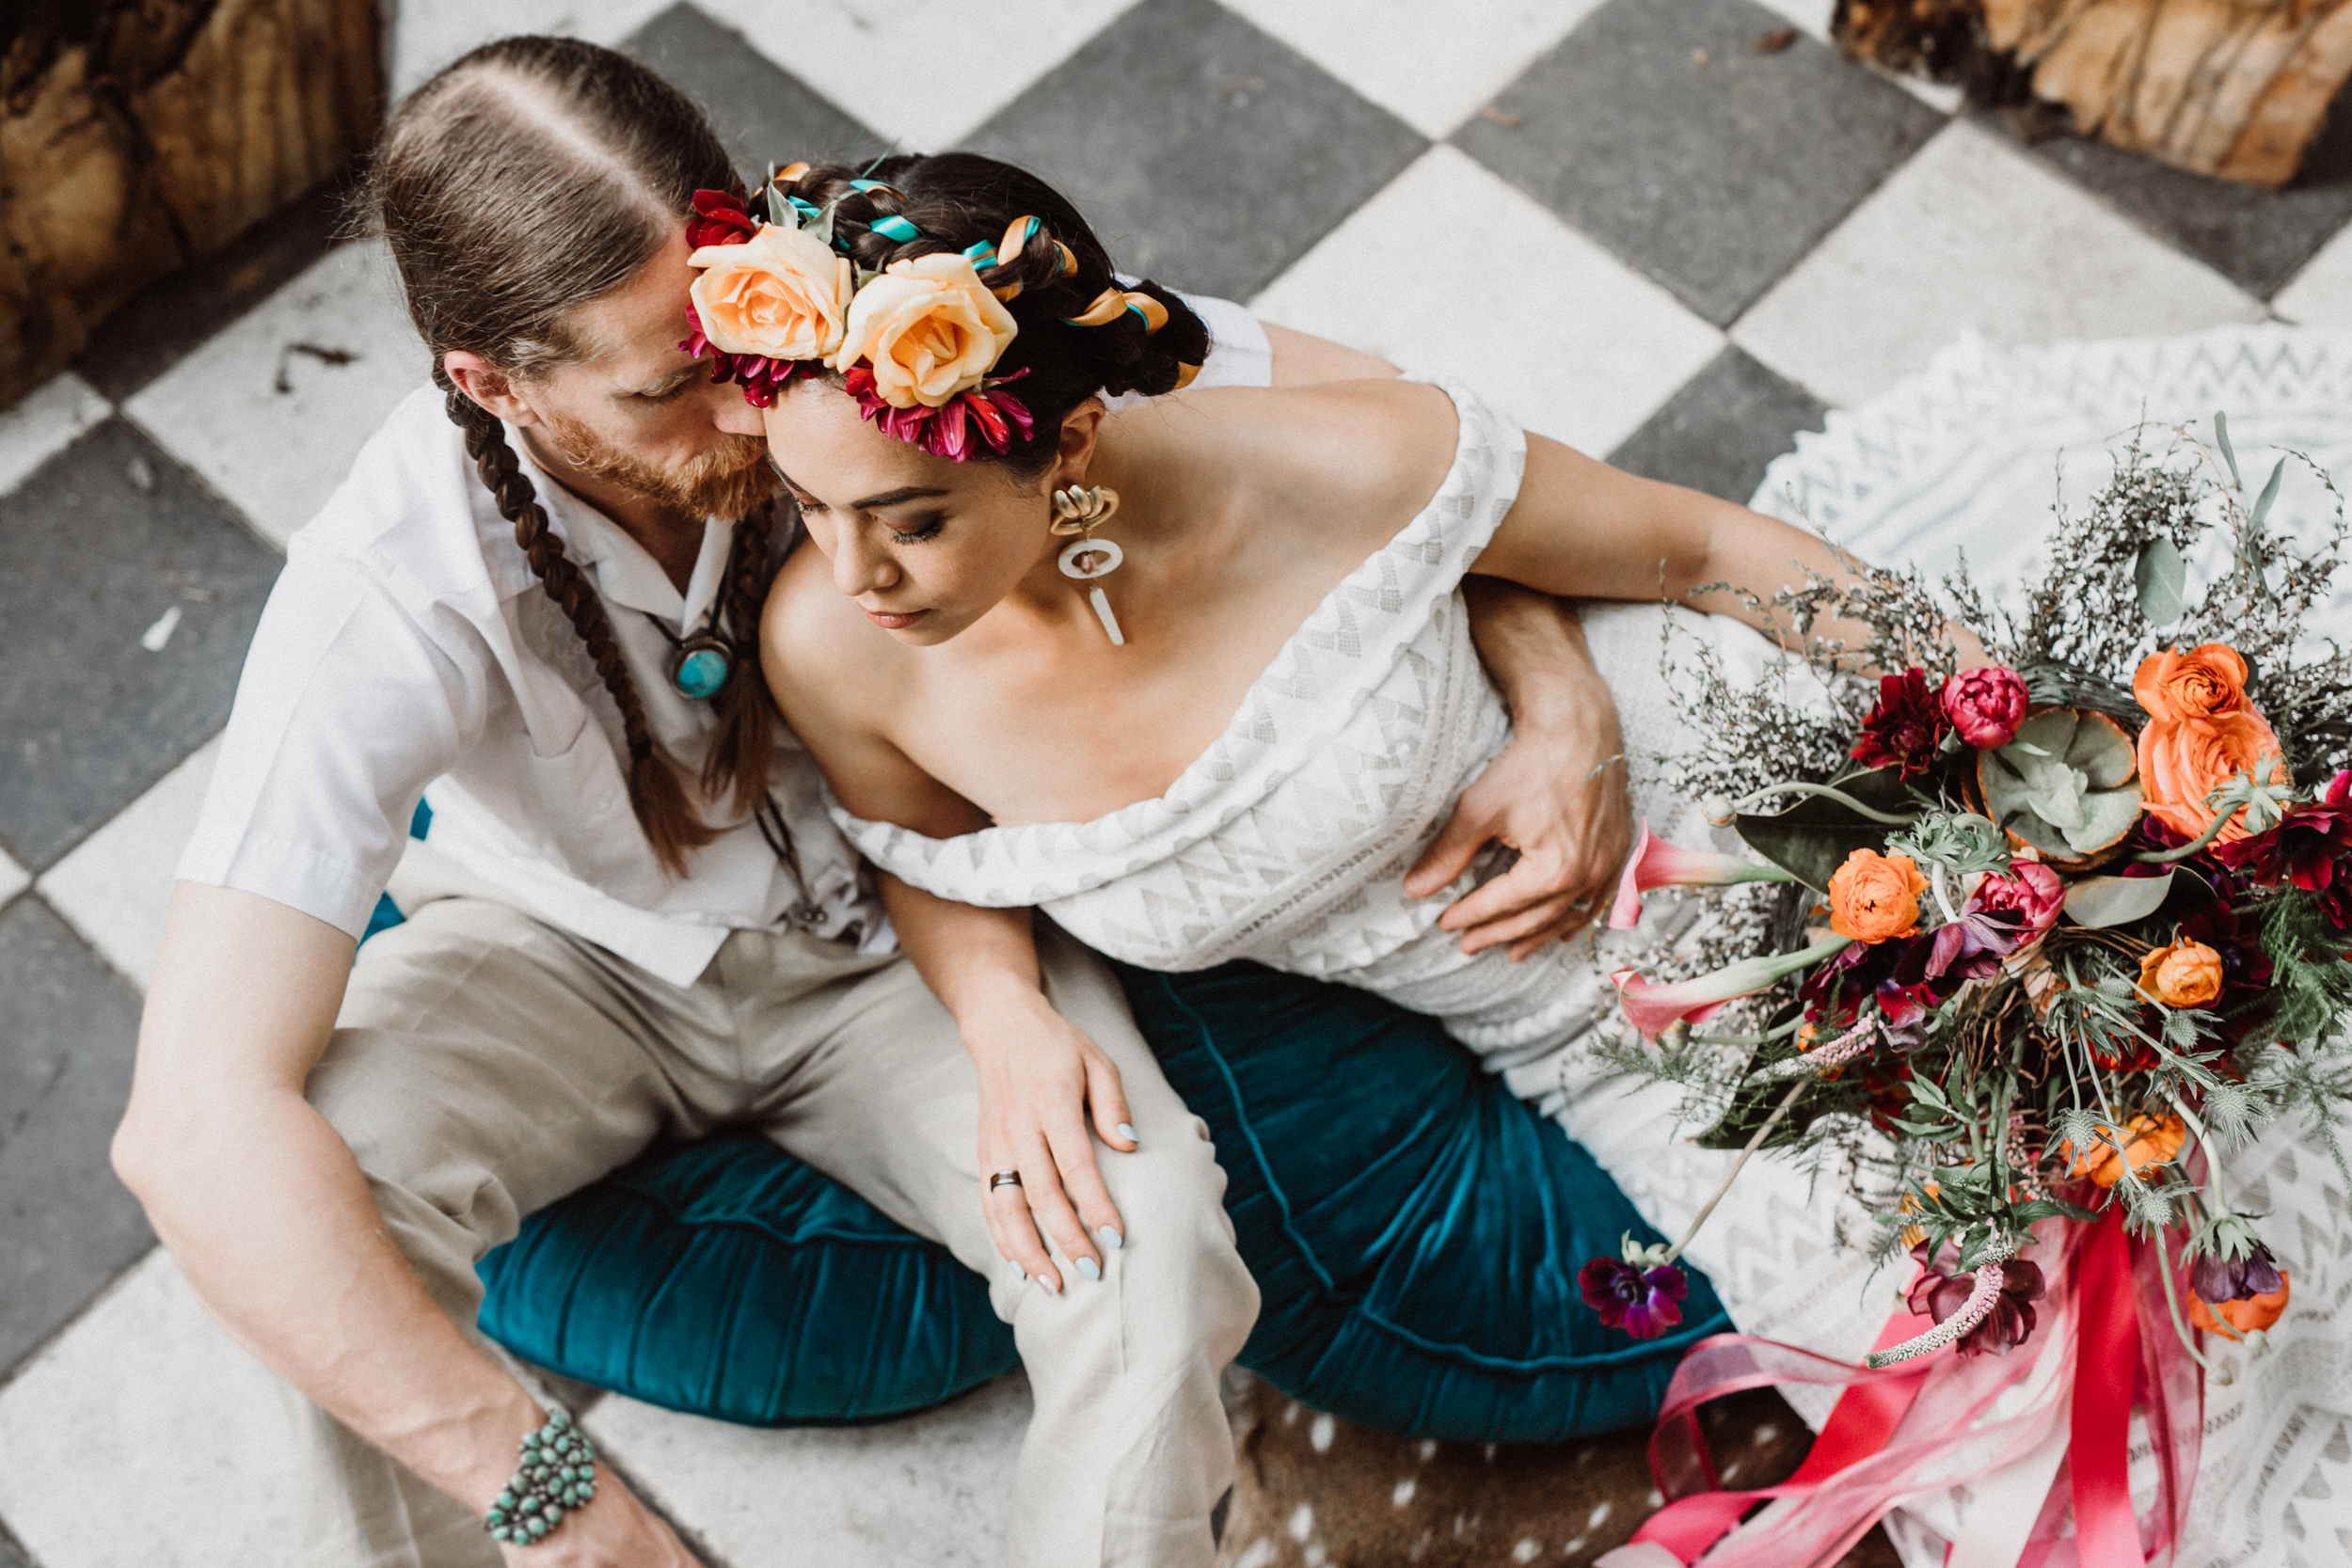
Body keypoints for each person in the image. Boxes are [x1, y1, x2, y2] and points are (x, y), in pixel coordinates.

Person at [109, 37, 1645, 1568]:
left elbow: (1382, 422)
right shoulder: (384, 583)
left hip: (910, 931)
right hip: (564, 956)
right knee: (311, 1217)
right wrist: (565, 1505)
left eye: (732, 341)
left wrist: (1547, 675)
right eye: (664, 391)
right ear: (492, 384)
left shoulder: (885, 300)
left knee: (1152, 1250)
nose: (743, 413)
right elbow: (189, 1127)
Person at [750, 153, 1935, 1200]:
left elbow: (1716, 551)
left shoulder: (1320, 456)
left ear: (1066, 446)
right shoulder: (828, 652)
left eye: (909, 522)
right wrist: (1005, 1022)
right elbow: (933, 859)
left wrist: (2000, 727)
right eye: (808, 504)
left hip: (1772, 798)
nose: (856, 572)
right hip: (1603, 1058)